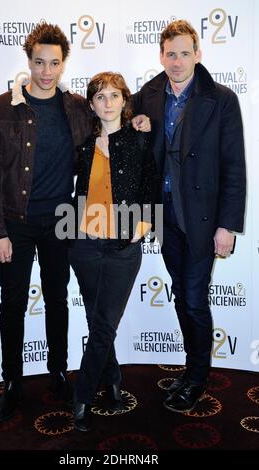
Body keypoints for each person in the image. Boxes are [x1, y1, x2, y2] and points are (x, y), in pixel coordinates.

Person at [0, 22, 93, 423]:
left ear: (64, 64)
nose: (46, 71)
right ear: (28, 60)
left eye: (54, 63)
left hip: (60, 220)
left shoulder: (77, 107)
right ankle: (12, 383)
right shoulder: (0, 108)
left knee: (57, 299)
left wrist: (139, 124)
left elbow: (109, 128)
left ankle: (58, 372)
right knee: (12, 304)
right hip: (16, 223)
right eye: (39, 62)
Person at [132, 20, 246, 413]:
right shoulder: (147, 96)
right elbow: (104, 107)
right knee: (183, 294)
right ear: (160, 56)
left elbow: (234, 166)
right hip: (164, 218)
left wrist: (226, 225)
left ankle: (197, 376)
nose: (177, 61)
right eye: (170, 54)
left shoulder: (222, 99)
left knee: (194, 298)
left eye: (184, 53)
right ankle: (191, 368)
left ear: (198, 54)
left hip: (201, 219)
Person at [69, 72, 156, 431]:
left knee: (104, 323)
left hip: (123, 247)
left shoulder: (139, 139)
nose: (107, 102)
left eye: (114, 96)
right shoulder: (84, 145)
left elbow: (151, 185)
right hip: (84, 244)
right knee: (96, 320)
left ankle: (82, 397)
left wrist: (145, 225)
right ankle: (115, 378)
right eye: (100, 96)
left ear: (125, 101)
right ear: (90, 104)